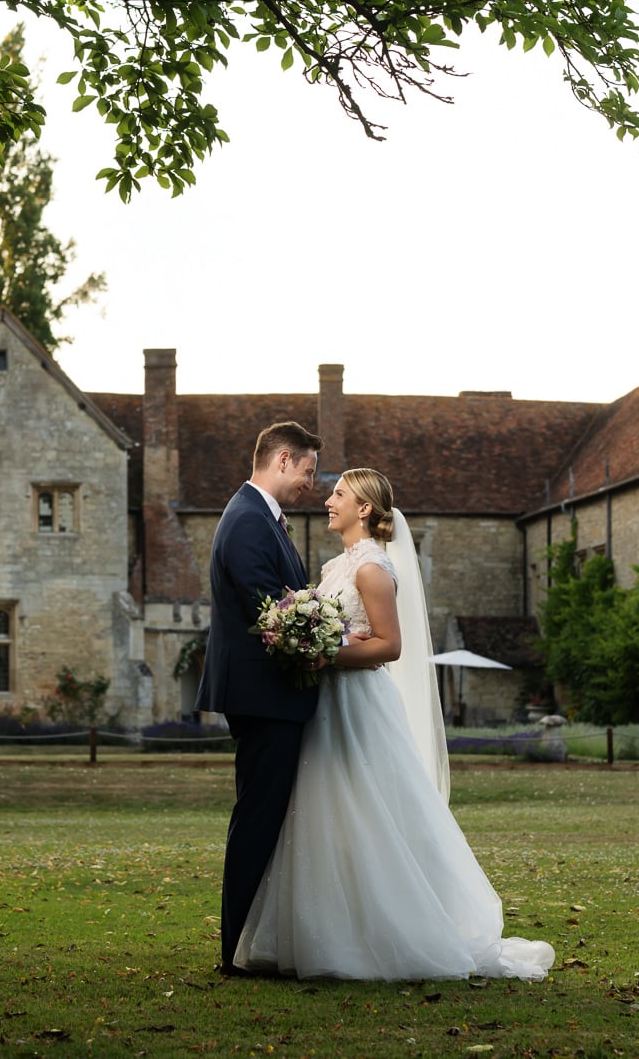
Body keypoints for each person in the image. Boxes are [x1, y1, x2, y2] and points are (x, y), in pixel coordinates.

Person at [232, 467, 555, 981]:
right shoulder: (337, 564)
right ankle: (324, 931)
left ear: (364, 509)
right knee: (324, 810)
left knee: (368, 808)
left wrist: (326, 653)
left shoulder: (374, 569)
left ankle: (388, 933)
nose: (329, 500)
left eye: (339, 494)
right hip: (326, 704)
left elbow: (390, 645)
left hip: (358, 703)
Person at [198, 420, 323, 975]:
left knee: (268, 816)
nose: (311, 485)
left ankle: (256, 943)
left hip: (270, 695)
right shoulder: (249, 520)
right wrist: (332, 641)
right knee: (257, 818)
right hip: (263, 696)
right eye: (308, 471)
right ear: (281, 461)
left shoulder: (262, 518)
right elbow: (273, 613)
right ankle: (236, 952)